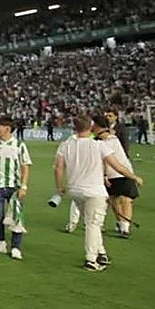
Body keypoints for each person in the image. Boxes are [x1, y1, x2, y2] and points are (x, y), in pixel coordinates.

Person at [53, 116, 113, 271]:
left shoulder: (66, 145)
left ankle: (101, 253)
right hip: (94, 191)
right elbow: (116, 165)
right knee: (93, 224)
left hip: (75, 190)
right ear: (91, 127)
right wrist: (133, 176)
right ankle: (91, 259)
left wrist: (59, 187)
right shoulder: (99, 145)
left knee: (92, 222)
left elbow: (59, 167)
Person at [0, 115, 31, 259]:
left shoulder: (19, 145)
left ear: (7, 129)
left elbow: (25, 166)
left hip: (14, 187)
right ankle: (1, 240)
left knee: (17, 217)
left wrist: (24, 186)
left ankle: (16, 247)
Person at [93, 113, 145, 238]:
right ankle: (121, 224)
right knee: (114, 200)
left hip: (122, 171)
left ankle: (125, 227)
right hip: (112, 174)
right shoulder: (97, 141)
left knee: (126, 199)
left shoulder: (111, 139)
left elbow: (106, 158)